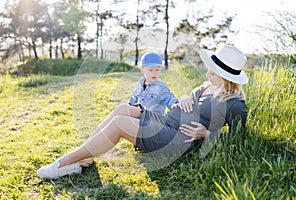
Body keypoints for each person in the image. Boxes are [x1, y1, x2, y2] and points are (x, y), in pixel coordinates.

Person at [37, 44, 249, 179]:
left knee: (120, 124)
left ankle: (64, 163)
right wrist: (185, 97)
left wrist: (206, 134)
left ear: (227, 77)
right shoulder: (206, 85)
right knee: (122, 110)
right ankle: (84, 157)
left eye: (214, 72)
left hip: (176, 141)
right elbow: (192, 102)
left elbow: (240, 139)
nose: (207, 73)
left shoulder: (235, 104)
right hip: (166, 122)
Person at [128, 52, 178, 116]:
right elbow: (133, 99)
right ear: (142, 70)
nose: (154, 73)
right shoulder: (139, 84)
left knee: (120, 117)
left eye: (157, 70)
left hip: (153, 120)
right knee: (120, 113)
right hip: (140, 116)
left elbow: (169, 98)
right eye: (151, 70)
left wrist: (174, 104)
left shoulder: (161, 87)